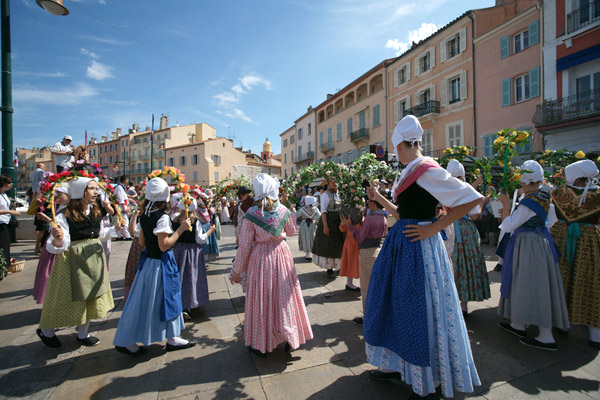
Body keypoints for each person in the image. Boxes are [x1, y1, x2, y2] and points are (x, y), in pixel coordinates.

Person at [363, 115, 482, 399]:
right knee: (396, 305)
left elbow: (472, 197)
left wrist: (435, 228)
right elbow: (404, 214)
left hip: (419, 250)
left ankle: (427, 376)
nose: (396, 156)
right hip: (403, 246)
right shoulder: (411, 170)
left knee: (418, 308)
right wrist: (379, 198)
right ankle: (396, 363)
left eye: (396, 150)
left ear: (402, 146)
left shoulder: (426, 169)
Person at [230, 173, 313, 357]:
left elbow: (244, 246)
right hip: (282, 255)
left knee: (262, 299)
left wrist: (237, 271)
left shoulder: (252, 214)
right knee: (285, 298)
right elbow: (291, 232)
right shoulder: (283, 210)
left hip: (261, 258)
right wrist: (289, 212)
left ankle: (262, 342)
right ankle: (290, 337)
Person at [113, 177, 196, 355]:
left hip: (148, 264)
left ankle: (132, 340)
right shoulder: (163, 217)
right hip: (161, 265)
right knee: (168, 298)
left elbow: (142, 241)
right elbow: (164, 245)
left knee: (144, 301)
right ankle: (172, 339)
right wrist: (181, 229)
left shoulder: (145, 215)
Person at [36, 177, 117, 348]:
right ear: (81, 191)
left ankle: (83, 333)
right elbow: (59, 242)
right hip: (73, 259)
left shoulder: (94, 211)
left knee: (90, 296)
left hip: (93, 256)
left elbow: (99, 233)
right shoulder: (64, 215)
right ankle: (47, 330)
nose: (96, 192)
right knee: (65, 297)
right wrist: (58, 239)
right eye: (92, 189)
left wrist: (115, 229)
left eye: (96, 189)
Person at [497, 160, 569, 351]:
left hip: (528, 245)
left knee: (533, 285)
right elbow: (551, 222)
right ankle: (518, 324)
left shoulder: (529, 202)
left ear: (525, 181)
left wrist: (505, 205)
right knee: (526, 283)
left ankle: (546, 336)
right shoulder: (545, 198)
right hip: (540, 242)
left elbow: (508, 225)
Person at [550, 159, 600, 348]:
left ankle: (563, 323)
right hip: (590, 240)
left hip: (563, 236)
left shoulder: (560, 193)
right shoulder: (598, 194)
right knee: (590, 280)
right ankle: (595, 333)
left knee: (563, 277)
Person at [446, 159, 491, 316]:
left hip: (447, 228)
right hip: (465, 231)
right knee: (465, 265)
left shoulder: (444, 189)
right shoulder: (467, 190)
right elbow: (475, 215)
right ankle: (463, 305)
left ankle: (448, 301)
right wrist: (482, 201)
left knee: (450, 264)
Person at [342, 192, 388, 326]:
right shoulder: (383, 218)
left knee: (366, 288)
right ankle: (377, 315)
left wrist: (350, 225)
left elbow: (359, 238)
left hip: (368, 254)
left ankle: (367, 318)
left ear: (373, 203)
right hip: (379, 252)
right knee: (377, 287)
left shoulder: (371, 219)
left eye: (369, 201)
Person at [171, 196, 216, 316]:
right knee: (192, 276)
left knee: (180, 276)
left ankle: (179, 302)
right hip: (192, 252)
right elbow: (199, 239)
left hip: (178, 250)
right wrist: (210, 231)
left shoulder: (174, 219)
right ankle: (190, 302)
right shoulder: (195, 221)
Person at [32, 185, 69, 304]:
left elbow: (61, 227)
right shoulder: (62, 207)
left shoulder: (68, 209)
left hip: (61, 243)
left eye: (59, 194)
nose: (56, 197)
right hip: (55, 242)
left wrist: (48, 220)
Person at [312, 180, 344, 277]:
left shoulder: (340, 194)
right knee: (329, 245)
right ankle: (329, 268)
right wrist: (325, 226)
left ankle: (339, 266)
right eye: (332, 182)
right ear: (328, 184)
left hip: (339, 221)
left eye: (336, 181)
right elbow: (324, 212)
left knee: (339, 244)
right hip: (329, 220)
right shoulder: (325, 195)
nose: (335, 183)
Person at [0, 176, 19, 278]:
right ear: (3, 183)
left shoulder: (4, 195)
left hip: (4, 222)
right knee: (3, 246)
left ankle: (5, 267)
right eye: (9, 182)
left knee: (5, 245)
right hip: (1, 223)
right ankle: (3, 268)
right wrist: (9, 211)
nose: (11, 184)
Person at [123, 209, 144, 299]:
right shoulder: (140, 217)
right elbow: (131, 231)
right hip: (137, 245)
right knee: (134, 267)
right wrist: (135, 215)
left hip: (143, 245)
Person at [338, 212, 361, 291]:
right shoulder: (350, 219)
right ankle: (349, 283)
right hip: (350, 242)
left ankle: (350, 283)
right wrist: (344, 223)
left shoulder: (360, 219)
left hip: (356, 242)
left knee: (356, 262)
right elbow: (342, 229)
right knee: (350, 261)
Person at [296, 195, 320, 261]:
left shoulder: (302, 209)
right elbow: (319, 216)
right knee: (313, 239)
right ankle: (315, 255)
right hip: (313, 224)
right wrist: (316, 221)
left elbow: (297, 215)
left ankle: (307, 255)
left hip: (304, 224)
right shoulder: (315, 209)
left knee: (306, 239)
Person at [115, 176, 132, 241]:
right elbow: (121, 198)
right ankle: (127, 235)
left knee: (121, 221)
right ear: (125, 180)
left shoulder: (121, 187)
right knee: (124, 221)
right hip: (121, 206)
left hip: (121, 206)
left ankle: (119, 235)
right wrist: (124, 206)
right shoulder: (119, 187)